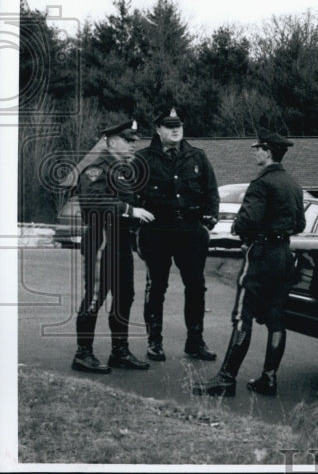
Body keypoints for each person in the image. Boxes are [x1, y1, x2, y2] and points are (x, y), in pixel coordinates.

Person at [193, 131, 305, 397]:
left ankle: (226, 378)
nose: (254, 152)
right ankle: (268, 378)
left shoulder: (261, 184)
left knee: (243, 316)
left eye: (258, 148)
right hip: (283, 255)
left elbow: (248, 221)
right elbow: (299, 223)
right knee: (277, 320)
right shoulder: (293, 184)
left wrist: (240, 228)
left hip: (262, 254)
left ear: (267, 152)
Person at [132, 107, 219, 362]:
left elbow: (211, 191)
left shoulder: (197, 157)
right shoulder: (143, 159)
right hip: (157, 229)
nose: (175, 129)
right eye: (169, 126)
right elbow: (131, 195)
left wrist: (209, 221)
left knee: (196, 287)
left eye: (178, 125)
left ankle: (195, 341)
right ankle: (154, 342)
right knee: (156, 286)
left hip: (190, 230)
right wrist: (136, 227)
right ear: (158, 130)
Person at [71, 120, 154, 373]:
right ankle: (83, 354)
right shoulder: (96, 169)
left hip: (121, 243)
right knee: (95, 297)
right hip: (101, 241)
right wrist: (130, 210)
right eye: (128, 140)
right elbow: (93, 200)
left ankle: (120, 351)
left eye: (133, 141)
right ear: (112, 141)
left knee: (125, 297)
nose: (132, 145)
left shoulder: (122, 170)